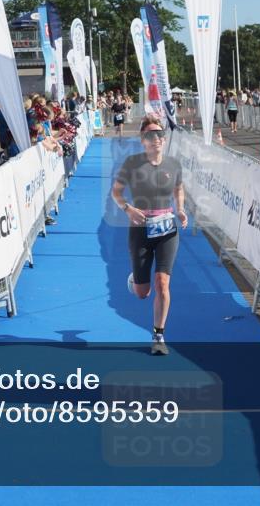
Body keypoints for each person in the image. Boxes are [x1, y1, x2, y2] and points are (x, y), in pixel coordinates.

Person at [110, 115, 188, 356]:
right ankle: (136, 278)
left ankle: (158, 335)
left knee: (162, 283)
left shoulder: (174, 164)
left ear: (164, 139)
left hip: (167, 229)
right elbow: (116, 192)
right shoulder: (132, 163)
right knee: (143, 293)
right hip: (140, 228)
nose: (156, 139)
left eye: (159, 135)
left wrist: (181, 210)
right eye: (150, 135)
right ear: (142, 140)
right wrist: (128, 209)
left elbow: (178, 189)